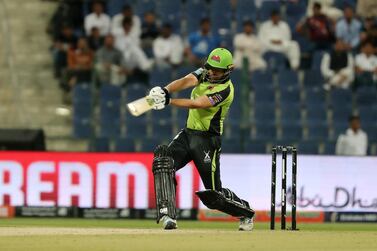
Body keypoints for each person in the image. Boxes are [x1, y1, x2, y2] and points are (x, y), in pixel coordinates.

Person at [146, 48, 255, 231]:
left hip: (207, 141)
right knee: (163, 162)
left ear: (228, 70)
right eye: (210, 67)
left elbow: (198, 104)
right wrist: (166, 90)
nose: (212, 72)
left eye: (217, 70)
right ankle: (168, 216)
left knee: (214, 196)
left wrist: (169, 101)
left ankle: (246, 213)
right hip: (188, 135)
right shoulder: (205, 74)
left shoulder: (226, 90)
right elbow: (187, 81)